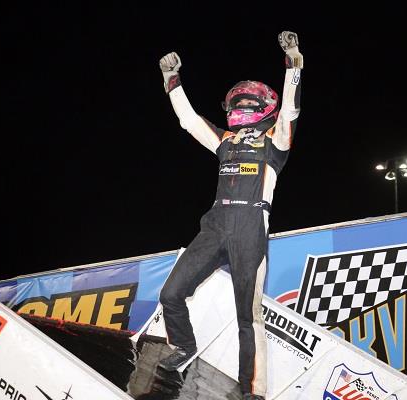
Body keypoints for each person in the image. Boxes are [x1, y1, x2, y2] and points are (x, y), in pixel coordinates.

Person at [157, 31, 303, 400]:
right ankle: (184, 347)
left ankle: (252, 391)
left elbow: (290, 111)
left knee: (248, 319)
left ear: (263, 108)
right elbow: (190, 121)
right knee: (171, 293)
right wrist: (172, 82)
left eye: (249, 103)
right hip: (215, 225)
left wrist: (294, 62)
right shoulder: (224, 140)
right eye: (240, 102)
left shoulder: (276, 143)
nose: (244, 108)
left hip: (250, 231)